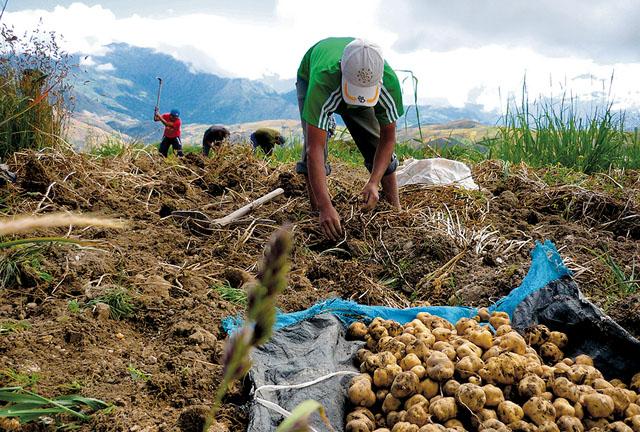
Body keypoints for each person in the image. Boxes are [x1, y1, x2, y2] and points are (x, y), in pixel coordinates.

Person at [295, 37, 404, 241]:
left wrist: (373, 182)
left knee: (373, 139)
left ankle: (394, 209)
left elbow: (387, 140)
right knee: (317, 145)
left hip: (350, 85)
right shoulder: (323, 79)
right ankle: (318, 214)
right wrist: (325, 206)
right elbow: (314, 149)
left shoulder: (389, 84)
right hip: (313, 77)